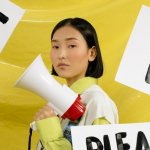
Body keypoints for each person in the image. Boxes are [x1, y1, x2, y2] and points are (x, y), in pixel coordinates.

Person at [33, 17, 118, 150]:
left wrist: (51, 134)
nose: (61, 54)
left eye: (71, 46)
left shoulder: (98, 103)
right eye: (55, 46)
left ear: (91, 53)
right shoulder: (58, 102)